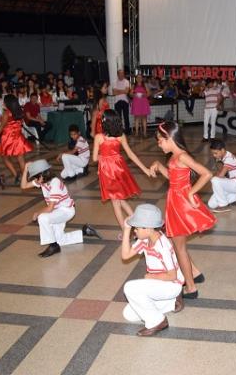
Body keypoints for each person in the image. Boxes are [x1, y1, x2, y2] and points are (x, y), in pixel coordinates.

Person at [150, 121, 216, 299]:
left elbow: (206, 174)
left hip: (180, 206)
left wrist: (192, 192)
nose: (159, 144)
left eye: (160, 140)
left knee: (179, 248)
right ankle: (194, 273)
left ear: (169, 138)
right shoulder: (174, 157)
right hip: (175, 202)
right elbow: (173, 179)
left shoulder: (182, 156)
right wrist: (158, 164)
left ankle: (191, 288)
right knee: (177, 244)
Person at [120, 204, 184, 337]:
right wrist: (126, 229)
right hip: (159, 285)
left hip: (171, 284)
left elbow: (172, 275)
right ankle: (171, 302)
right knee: (128, 315)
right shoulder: (145, 240)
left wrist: (151, 277)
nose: (135, 231)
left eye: (136, 228)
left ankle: (158, 322)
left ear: (148, 228)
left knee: (130, 288)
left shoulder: (162, 246)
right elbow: (125, 255)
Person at [92, 110, 152, 230]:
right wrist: (145, 169)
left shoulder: (99, 137)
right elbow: (130, 154)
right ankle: (137, 223)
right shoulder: (121, 136)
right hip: (120, 168)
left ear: (105, 122)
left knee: (116, 203)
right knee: (120, 199)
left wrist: (104, 157)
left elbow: (94, 158)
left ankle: (126, 231)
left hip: (107, 171)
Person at [20, 159, 85, 258]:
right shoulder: (42, 181)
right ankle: (84, 231)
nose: (36, 179)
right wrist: (25, 170)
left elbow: (50, 208)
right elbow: (23, 186)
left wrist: (37, 213)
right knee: (60, 240)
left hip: (66, 211)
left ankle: (53, 246)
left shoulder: (55, 183)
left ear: (42, 175)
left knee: (43, 217)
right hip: (57, 211)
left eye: (36, 177)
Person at [0, 94, 33, 185]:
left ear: (7, 103)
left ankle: (16, 175)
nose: (3, 102)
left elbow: (1, 127)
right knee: (21, 159)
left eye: (4, 101)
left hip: (8, 137)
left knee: (4, 157)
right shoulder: (19, 111)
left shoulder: (6, 113)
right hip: (18, 136)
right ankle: (26, 177)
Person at [208, 139, 236, 213]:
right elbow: (220, 173)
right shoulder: (222, 156)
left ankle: (224, 206)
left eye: (215, 153)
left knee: (214, 180)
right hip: (228, 183)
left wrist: (211, 176)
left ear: (222, 150)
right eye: (213, 153)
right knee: (211, 204)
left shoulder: (229, 158)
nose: (214, 155)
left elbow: (221, 175)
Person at [112, 69, 131, 135]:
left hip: (125, 101)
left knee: (126, 117)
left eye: (122, 73)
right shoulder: (114, 82)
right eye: (120, 73)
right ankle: (119, 131)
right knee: (118, 117)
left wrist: (118, 91)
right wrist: (123, 90)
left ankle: (127, 131)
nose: (121, 75)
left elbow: (126, 91)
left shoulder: (127, 81)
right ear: (118, 74)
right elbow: (114, 93)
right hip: (117, 101)